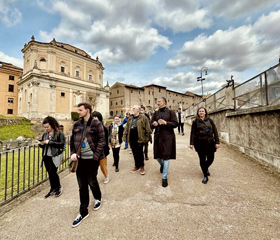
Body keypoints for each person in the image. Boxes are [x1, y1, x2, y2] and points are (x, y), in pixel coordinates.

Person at [70, 103, 105, 227]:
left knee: (92, 181)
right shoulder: (77, 124)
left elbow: (102, 140)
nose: (78, 112)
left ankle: (98, 197)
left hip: (92, 159)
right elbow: (72, 140)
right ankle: (83, 211)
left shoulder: (97, 124)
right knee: (82, 185)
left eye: (80, 110)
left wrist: (96, 157)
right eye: (78, 110)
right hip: (80, 160)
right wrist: (73, 153)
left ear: (87, 111)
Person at [151, 97, 178, 187]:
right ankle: (162, 165)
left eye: (159, 101)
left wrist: (166, 123)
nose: (157, 103)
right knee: (157, 156)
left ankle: (164, 178)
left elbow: (175, 124)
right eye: (157, 101)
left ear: (164, 102)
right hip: (158, 137)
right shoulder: (155, 113)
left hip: (167, 137)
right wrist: (153, 124)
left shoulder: (171, 112)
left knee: (166, 157)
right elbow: (151, 122)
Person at [189, 107, 220, 184]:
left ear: (205, 112)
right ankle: (205, 175)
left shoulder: (210, 120)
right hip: (200, 143)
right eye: (200, 111)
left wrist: (217, 142)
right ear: (198, 113)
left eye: (203, 111)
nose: (201, 112)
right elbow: (192, 133)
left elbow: (215, 131)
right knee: (202, 159)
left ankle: (205, 168)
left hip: (210, 143)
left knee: (211, 158)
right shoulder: (195, 122)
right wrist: (191, 143)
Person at [39, 116, 65, 198]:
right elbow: (43, 145)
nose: (46, 129)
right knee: (50, 173)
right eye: (45, 127)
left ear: (52, 125)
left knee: (52, 172)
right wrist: (41, 144)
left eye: (47, 127)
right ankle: (53, 188)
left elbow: (61, 144)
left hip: (55, 156)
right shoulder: (45, 134)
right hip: (46, 156)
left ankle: (58, 187)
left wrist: (49, 142)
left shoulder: (59, 133)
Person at [123, 105, 151, 175]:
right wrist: (124, 136)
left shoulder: (143, 117)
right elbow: (126, 127)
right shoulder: (130, 118)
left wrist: (148, 138)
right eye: (133, 108)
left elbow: (147, 128)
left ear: (138, 110)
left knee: (140, 152)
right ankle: (137, 166)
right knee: (134, 152)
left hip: (140, 137)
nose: (133, 109)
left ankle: (142, 166)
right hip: (132, 137)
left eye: (134, 108)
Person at [92, 111, 110, 184]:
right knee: (93, 167)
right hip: (93, 150)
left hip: (102, 150)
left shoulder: (104, 128)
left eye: (96, 117)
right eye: (93, 118)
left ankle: (106, 176)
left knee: (103, 165)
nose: (94, 119)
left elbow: (105, 140)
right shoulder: (90, 128)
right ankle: (93, 180)